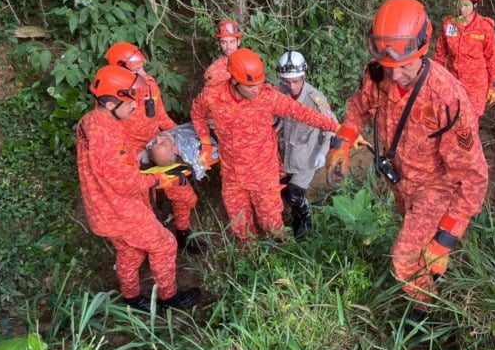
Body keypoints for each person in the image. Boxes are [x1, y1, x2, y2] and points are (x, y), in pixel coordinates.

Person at [326, 0, 488, 320]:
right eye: (390, 65)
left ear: (423, 48)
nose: (396, 75)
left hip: (436, 188)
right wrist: (340, 145)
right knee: (417, 248)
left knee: (404, 256)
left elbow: (473, 178)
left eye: (406, 65)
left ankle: (424, 313)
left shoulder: (446, 98)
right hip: (401, 185)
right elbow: (358, 107)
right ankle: (428, 276)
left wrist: (446, 239)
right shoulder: (378, 75)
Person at [76, 65, 200, 312]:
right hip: (119, 208)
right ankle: (169, 298)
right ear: (111, 104)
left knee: (130, 253)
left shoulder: (90, 122)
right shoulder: (105, 136)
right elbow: (124, 182)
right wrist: (159, 180)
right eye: (130, 102)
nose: (135, 106)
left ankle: (131, 298)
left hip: (102, 207)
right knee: (164, 244)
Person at [190, 48, 339, 244]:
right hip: (232, 176)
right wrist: (206, 143)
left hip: (263, 175)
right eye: (250, 86)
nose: (256, 89)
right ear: (234, 80)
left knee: (272, 224)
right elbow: (197, 113)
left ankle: (282, 258)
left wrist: (339, 128)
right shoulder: (213, 95)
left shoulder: (266, 96)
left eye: (259, 84)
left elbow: (302, 112)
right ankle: (251, 263)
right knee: (241, 228)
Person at [106, 42, 204, 254]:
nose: (142, 73)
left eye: (142, 67)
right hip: (134, 158)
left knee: (183, 194)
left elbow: (160, 116)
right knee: (145, 211)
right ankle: (155, 250)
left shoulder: (149, 85)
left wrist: (179, 135)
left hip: (158, 148)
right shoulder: (112, 102)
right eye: (136, 71)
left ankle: (183, 233)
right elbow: (112, 140)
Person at [275, 51, 336, 240]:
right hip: (283, 155)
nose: (292, 86)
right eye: (287, 81)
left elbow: (331, 127)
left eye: (296, 81)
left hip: (306, 156)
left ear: (304, 76)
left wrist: (323, 152)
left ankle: (307, 222)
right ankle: (295, 220)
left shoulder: (315, 98)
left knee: (294, 194)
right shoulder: (278, 93)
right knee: (285, 192)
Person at [432, 0, 495, 119]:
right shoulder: (449, 25)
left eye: (467, 5)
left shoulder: (485, 28)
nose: (463, 9)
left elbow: (492, 58)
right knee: (450, 120)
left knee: (470, 122)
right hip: (453, 83)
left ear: (475, 4)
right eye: (461, 4)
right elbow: (440, 54)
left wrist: (494, 85)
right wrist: (436, 79)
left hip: (476, 86)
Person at [204, 19, 243, 86]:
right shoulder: (213, 71)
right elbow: (209, 95)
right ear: (219, 44)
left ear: (238, 42)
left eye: (232, 42)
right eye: (224, 42)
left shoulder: (249, 63)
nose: (228, 46)